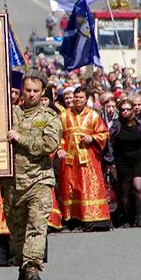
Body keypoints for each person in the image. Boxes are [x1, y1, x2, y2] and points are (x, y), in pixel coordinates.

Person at [4, 72, 61, 280]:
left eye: (36, 91)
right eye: (28, 90)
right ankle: (23, 265)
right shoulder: (10, 115)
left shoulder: (49, 117)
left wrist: (22, 139)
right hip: (12, 183)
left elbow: (50, 144)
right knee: (17, 231)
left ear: (42, 92)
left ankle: (32, 266)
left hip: (39, 179)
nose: (31, 94)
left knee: (37, 226)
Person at [56, 86, 111, 228]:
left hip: (88, 159)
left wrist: (92, 138)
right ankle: (71, 219)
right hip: (69, 159)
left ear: (86, 99)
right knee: (69, 188)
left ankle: (92, 218)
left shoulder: (93, 115)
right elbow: (57, 136)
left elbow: (104, 134)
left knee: (88, 187)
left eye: (80, 97)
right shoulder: (63, 115)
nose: (77, 100)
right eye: (76, 97)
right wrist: (60, 148)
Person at [112, 98, 141, 227]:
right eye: (123, 110)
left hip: (137, 159)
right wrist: (110, 161)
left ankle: (139, 218)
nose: (125, 112)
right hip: (122, 160)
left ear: (133, 110)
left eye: (128, 109)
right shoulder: (117, 125)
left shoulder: (139, 125)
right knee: (125, 191)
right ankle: (128, 219)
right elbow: (110, 143)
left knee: (138, 187)